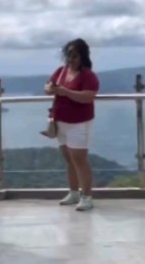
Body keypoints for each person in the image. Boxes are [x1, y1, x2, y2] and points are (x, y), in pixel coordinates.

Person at [44, 38, 100, 212]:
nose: (70, 59)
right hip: (61, 120)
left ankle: (87, 196)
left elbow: (88, 96)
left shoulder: (88, 75)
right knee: (69, 158)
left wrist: (65, 92)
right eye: (68, 55)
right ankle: (74, 192)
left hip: (79, 122)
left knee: (79, 159)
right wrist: (51, 89)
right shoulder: (61, 71)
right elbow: (47, 86)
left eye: (74, 55)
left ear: (82, 56)